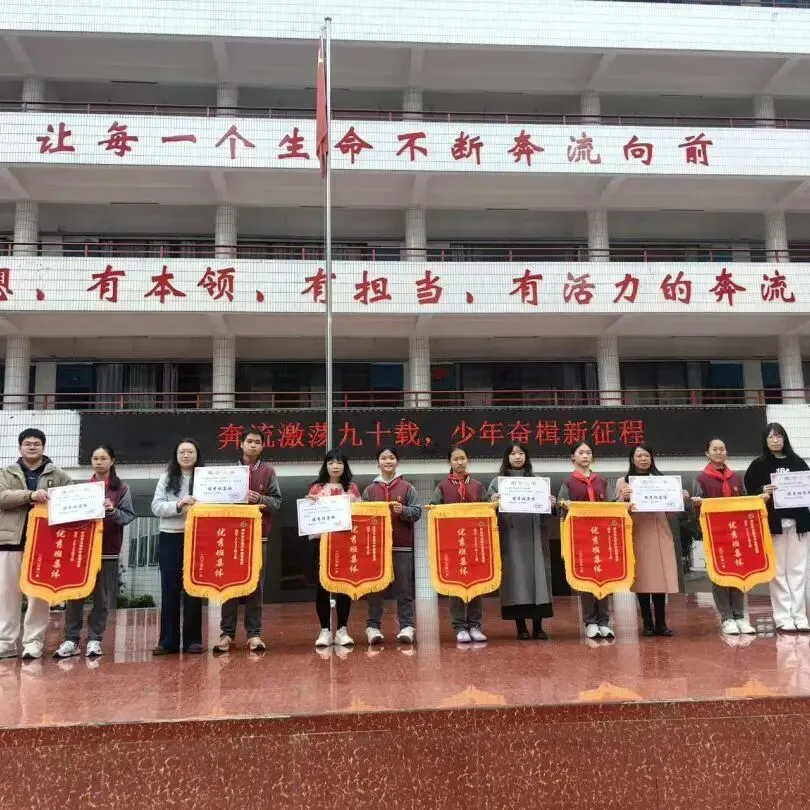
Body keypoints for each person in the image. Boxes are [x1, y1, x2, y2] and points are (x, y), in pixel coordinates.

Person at [54, 445, 135, 659]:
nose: (99, 462)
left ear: (112, 461)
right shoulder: (81, 489)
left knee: (102, 598)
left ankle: (94, 639)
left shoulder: (121, 489)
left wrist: (113, 510)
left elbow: (128, 516)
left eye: (103, 458)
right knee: (75, 595)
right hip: (81, 552)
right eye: (95, 458)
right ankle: (71, 639)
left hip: (107, 551)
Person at [0, 428, 72, 660]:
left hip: (44, 544)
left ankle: (33, 642)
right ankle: (6, 643)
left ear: (43, 447)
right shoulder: (6, 474)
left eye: (36, 444)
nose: (32, 447)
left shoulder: (58, 475)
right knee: (6, 595)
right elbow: (1, 497)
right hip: (10, 542)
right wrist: (30, 495)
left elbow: (72, 501)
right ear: (20, 447)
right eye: (28, 444)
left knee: (39, 595)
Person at [213, 429, 282, 654]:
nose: (253, 445)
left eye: (257, 442)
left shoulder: (268, 471)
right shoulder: (228, 472)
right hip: (231, 537)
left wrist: (260, 498)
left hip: (258, 537)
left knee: (255, 587)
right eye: (249, 441)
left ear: (262, 447)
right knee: (229, 586)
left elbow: (277, 502)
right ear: (241, 444)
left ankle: (254, 634)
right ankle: (227, 634)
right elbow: (215, 501)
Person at [692, 437, 762, 636]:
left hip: (736, 533)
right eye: (715, 449)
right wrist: (696, 503)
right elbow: (696, 508)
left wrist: (759, 500)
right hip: (714, 535)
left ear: (726, 452)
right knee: (720, 574)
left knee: (738, 572)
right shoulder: (700, 478)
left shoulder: (736, 477)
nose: (719, 452)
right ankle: (727, 618)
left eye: (722, 449)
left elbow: (746, 501)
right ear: (707, 453)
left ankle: (739, 616)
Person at [744, 423, 810, 633]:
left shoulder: (798, 461)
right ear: (765, 440)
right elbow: (750, 492)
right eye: (771, 437)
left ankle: (800, 616)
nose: (775, 440)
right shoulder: (758, 465)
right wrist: (762, 490)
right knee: (778, 571)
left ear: (785, 439)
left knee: (798, 570)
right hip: (774, 524)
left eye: (779, 436)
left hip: (799, 523)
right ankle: (783, 617)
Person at [487, 442, 555, 641]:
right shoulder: (497, 483)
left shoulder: (538, 481)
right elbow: (487, 511)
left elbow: (549, 513)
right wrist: (492, 503)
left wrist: (551, 505)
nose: (517, 457)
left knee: (538, 580)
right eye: (513, 453)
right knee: (515, 580)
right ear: (507, 457)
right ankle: (521, 627)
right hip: (511, 538)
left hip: (534, 536)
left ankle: (538, 627)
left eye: (521, 453)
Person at [615, 444, 683, 637]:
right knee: (643, 579)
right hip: (638, 532)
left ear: (652, 458)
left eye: (647, 455)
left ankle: (661, 623)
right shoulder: (623, 482)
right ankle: (647, 623)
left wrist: (678, 498)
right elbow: (617, 511)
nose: (643, 459)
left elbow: (670, 511)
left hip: (659, 530)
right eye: (639, 456)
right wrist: (623, 500)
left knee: (659, 579)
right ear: (632, 459)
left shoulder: (662, 480)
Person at [151, 438, 205, 655]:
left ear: (197, 455)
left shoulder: (206, 478)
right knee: (170, 588)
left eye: (190, 452)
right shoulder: (166, 478)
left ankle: (193, 640)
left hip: (197, 537)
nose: (186, 455)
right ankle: (168, 641)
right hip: (170, 536)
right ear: (176, 455)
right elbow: (156, 507)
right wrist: (179, 504)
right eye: (182, 452)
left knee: (194, 588)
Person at [363, 447, 422, 645]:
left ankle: (407, 626)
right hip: (376, 548)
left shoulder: (407, 488)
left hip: (401, 546)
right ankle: (373, 627)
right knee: (374, 588)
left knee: (404, 588)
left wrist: (403, 510)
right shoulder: (370, 490)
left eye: (391, 458)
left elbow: (417, 512)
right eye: (383, 458)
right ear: (377, 463)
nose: (388, 461)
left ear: (397, 461)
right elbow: (361, 516)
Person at [431, 446, 489, 644]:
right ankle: (460, 627)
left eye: (462, 458)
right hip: (452, 545)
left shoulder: (478, 486)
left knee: (476, 585)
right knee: (456, 586)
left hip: (475, 544)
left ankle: (475, 625)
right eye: (455, 459)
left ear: (468, 460)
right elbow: (434, 509)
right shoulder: (442, 487)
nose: (459, 462)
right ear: (450, 462)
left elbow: (488, 510)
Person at [558, 441, 613, 640]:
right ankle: (590, 622)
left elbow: (610, 506)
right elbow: (560, 508)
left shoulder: (602, 481)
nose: (585, 456)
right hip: (581, 537)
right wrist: (563, 505)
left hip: (601, 535)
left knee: (604, 579)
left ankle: (604, 622)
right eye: (581, 452)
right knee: (586, 580)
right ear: (572, 457)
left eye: (588, 452)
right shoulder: (568, 483)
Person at [307, 449, 362, 649]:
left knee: (344, 586)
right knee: (322, 586)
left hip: (345, 542)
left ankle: (342, 630)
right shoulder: (317, 488)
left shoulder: (352, 488)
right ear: (326, 466)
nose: (335, 466)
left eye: (339, 462)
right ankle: (324, 630)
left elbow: (359, 513)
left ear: (345, 466)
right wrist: (309, 504)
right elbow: (309, 515)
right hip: (321, 543)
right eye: (331, 462)